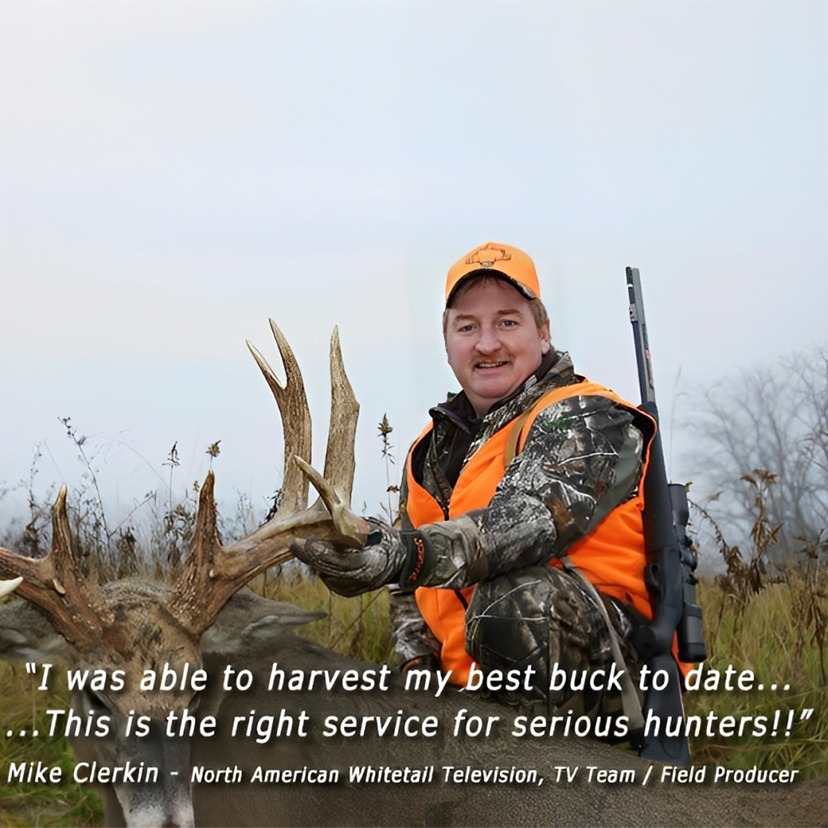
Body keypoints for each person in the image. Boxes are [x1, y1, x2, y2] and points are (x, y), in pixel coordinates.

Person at [292, 241, 678, 725]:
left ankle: (539, 783)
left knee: (514, 602)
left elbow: (520, 526)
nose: (487, 343)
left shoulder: (586, 417)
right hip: (473, 690)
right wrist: (416, 667)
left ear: (543, 332)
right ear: (448, 341)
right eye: (467, 326)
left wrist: (399, 554)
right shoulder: (429, 451)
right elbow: (409, 594)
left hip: (612, 672)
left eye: (507, 322)